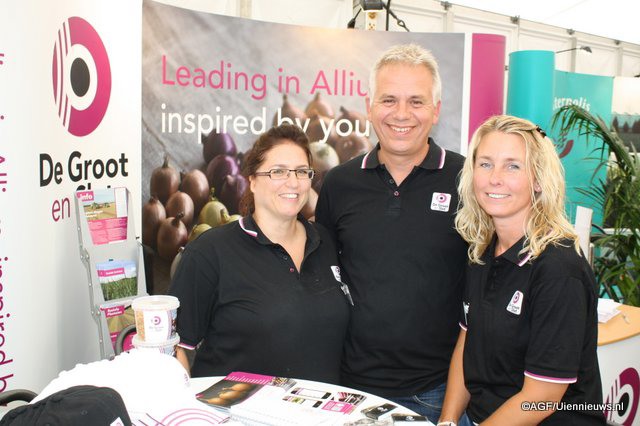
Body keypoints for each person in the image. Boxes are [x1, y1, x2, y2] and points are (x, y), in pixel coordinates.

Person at [315, 44, 468, 421]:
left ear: (436, 110)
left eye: (416, 101)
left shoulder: (467, 181)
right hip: (349, 390)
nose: (401, 114)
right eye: (389, 100)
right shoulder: (339, 183)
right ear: (369, 107)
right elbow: (324, 281)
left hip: (438, 392)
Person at [438, 115, 605, 425]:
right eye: (485, 164)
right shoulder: (481, 251)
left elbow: (541, 399)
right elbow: (467, 342)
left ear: (538, 180)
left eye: (513, 166)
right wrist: (447, 420)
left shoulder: (559, 269)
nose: (494, 178)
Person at [169, 124, 350, 384]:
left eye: (301, 171)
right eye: (278, 171)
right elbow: (174, 348)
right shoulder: (210, 252)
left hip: (323, 406)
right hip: (234, 407)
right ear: (252, 180)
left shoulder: (327, 242)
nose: (293, 182)